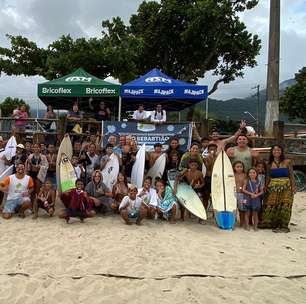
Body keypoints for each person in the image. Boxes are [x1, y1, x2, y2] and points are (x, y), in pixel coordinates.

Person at [259, 145, 296, 232]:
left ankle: (283, 226)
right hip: (273, 187)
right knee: (272, 205)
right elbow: (268, 176)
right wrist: (265, 187)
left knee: (285, 205)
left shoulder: (287, 162)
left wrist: (293, 186)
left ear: (281, 151)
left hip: (286, 186)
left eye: (278, 150)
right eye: (274, 150)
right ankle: (272, 224)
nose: (276, 151)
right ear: (272, 152)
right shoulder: (269, 163)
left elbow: (291, 175)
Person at [202, 143, 218, 209]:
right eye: (211, 149)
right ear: (208, 150)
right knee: (206, 196)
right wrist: (210, 159)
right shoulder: (206, 158)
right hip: (208, 178)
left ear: (216, 150)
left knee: (216, 196)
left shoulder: (219, 157)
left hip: (216, 178)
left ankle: (215, 213)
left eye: (214, 149)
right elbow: (207, 168)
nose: (213, 150)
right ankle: (204, 210)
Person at [233, 161, 247, 228]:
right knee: (233, 208)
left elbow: (245, 183)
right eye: (237, 167)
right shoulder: (232, 174)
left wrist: (243, 188)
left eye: (241, 167)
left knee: (242, 209)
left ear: (243, 167)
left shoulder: (245, 175)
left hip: (242, 194)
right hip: (233, 194)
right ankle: (233, 221)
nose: (239, 168)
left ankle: (242, 222)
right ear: (234, 167)